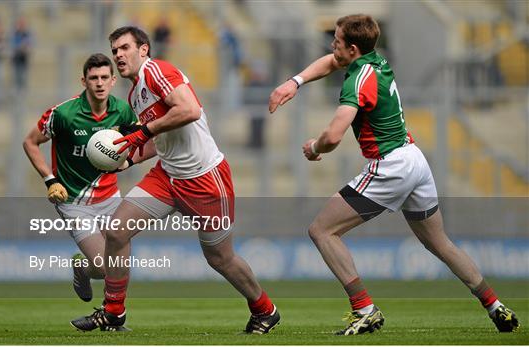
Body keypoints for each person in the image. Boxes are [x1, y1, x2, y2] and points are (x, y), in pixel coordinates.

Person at [269, 14, 520, 335]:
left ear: (353, 48)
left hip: (390, 166)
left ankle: (365, 309)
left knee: (322, 231)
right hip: (414, 160)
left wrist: (315, 147)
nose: (332, 45)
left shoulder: (357, 79)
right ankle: (495, 305)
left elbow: (333, 136)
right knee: (440, 242)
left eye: (337, 40)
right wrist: (295, 82)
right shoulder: (376, 61)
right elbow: (331, 62)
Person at [71, 26, 280, 334]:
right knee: (115, 232)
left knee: (220, 258)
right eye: (114, 50)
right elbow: (161, 136)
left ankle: (265, 310)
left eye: (124, 47)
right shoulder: (134, 91)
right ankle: (113, 313)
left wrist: (141, 133)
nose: (118, 55)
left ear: (143, 50)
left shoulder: (157, 70)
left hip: (204, 178)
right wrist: (130, 158)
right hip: (167, 177)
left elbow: (190, 110)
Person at [23, 54, 137, 315]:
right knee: (102, 267)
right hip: (73, 200)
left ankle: (112, 314)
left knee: (120, 261)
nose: (99, 83)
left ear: (113, 81)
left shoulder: (122, 110)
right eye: (93, 78)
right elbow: (30, 142)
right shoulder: (63, 113)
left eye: (104, 78)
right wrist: (49, 180)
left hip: (110, 196)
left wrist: (128, 160)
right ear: (83, 80)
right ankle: (83, 268)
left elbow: (141, 138)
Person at [11, 17, 32, 91]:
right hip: (16, 59)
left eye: (23, 24)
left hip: (24, 59)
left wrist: (26, 48)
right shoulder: (15, 34)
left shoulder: (27, 34)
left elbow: (30, 44)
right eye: (20, 24)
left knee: (24, 78)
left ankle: (22, 95)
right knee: (16, 78)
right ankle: (17, 95)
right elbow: (12, 45)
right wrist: (20, 47)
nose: (22, 26)